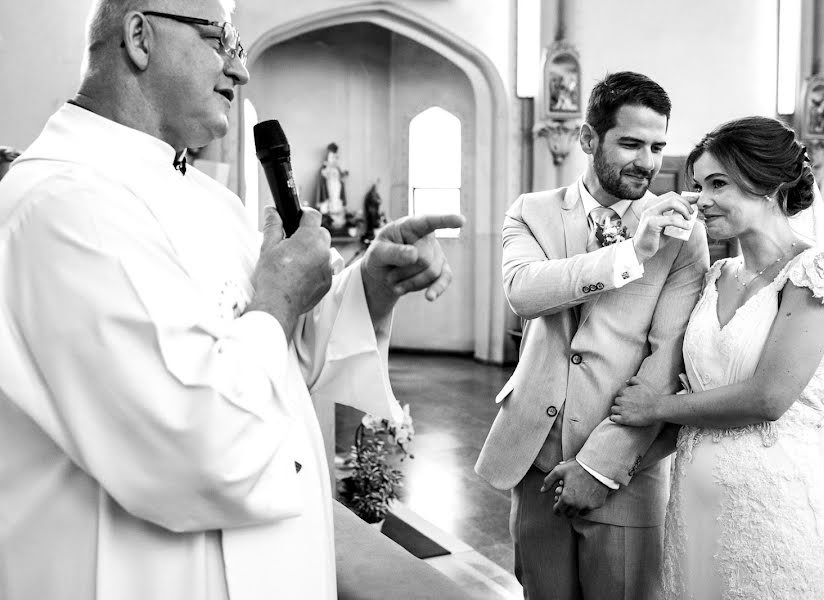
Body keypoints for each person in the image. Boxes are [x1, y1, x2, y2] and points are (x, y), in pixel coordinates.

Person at [0, 2, 462, 599]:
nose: (240, 71)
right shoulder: (61, 205)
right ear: (140, 36)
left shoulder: (209, 201)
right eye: (223, 40)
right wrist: (279, 299)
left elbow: (281, 365)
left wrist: (372, 283)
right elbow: (195, 444)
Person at [475, 71, 709, 599]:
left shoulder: (680, 228)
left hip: (624, 466)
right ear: (587, 139)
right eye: (630, 143)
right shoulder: (531, 211)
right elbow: (523, 293)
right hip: (533, 455)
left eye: (657, 146)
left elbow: (668, 359)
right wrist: (630, 254)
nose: (647, 162)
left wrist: (600, 465)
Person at [610, 116, 824, 599]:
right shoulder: (717, 275)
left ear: (767, 183)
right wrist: (607, 467)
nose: (701, 200)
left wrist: (654, 408)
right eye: (699, 185)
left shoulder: (813, 273)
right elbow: (692, 391)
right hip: (695, 504)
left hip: (773, 509)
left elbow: (768, 398)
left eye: (718, 183)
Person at [317, 142, 349, 230]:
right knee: (331, 199)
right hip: (330, 184)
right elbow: (323, 175)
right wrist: (328, 169)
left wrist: (343, 176)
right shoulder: (326, 165)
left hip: (337, 185)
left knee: (337, 199)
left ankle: (338, 221)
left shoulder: (337, 167)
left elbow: (340, 176)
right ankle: (329, 220)